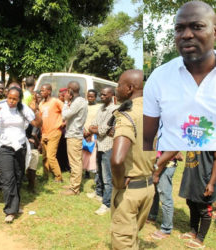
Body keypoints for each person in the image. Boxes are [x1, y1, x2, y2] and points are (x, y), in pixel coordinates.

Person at [143, 1, 216, 151]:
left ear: (214, 32)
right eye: (179, 29)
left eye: (197, 27)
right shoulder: (159, 77)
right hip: (170, 167)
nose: (187, 35)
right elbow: (146, 140)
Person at [110, 70, 156, 249]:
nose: (117, 88)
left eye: (119, 84)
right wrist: (157, 168)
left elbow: (117, 160)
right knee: (133, 236)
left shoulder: (127, 114)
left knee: (123, 242)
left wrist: (118, 183)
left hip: (130, 191)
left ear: (129, 88)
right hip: (148, 188)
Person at [0, 87, 42, 223]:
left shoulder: (23, 109)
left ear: (19, 99)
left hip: (20, 147)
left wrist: (35, 110)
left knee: (18, 176)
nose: (11, 101)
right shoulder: (0, 107)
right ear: (6, 96)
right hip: (3, 147)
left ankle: (15, 205)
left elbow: (37, 124)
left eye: (15, 99)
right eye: (9, 97)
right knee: (8, 178)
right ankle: (10, 211)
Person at [178, 151, 216, 249]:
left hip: (206, 178)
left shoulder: (212, 136)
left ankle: (200, 239)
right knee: (191, 202)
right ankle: (193, 231)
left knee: (204, 209)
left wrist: (211, 183)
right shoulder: (193, 135)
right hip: (192, 174)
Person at [88, 87, 117, 215]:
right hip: (99, 144)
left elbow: (102, 129)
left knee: (107, 176)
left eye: (105, 95)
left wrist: (97, 129)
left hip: (108, 146)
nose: (102, 96)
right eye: (101, 94)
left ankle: (107, 203)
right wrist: (95, 128)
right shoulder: (101, 108)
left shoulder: (113, 110)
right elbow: (92, 125)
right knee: (99, 171)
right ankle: (99, 193)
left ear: (111, 95)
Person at [61, 81, 88, 195]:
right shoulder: (78, 101)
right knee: (73, 161)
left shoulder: (78, 102)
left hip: (74, 135)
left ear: (70, 90)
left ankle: (74, 189)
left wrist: (66, 101)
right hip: (73, 134)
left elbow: (65, 115)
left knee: (75, 162)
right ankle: (73, 184)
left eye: (67, 90)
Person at [39, 83, 64, 182]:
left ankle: (58, 177)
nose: (41, 92)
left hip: (54, 131)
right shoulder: (41, 104)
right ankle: (46, 176)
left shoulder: (55, 101)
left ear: (49, 91)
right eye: (41, 90)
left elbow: (66, 111)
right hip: (44, 132)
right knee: (44, 157)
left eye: (43, 90)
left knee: (51, 156)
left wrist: (63, 121)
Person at [83, 89, 101, 179]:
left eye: (92, 96)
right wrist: (84, 132)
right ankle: (85, 171)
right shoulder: (84, 106)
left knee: (93, 153)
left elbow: (98, 121)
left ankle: (94, 170)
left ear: (95, 97)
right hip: (83, 133)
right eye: (88, 96)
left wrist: (90, 133)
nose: (90, 98)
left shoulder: (99, 107)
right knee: (84, 152)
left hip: (93, 133)